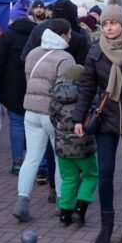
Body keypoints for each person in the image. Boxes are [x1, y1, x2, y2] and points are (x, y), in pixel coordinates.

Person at [72, 0, 122, 243]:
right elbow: (86, 87)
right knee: (105, 172)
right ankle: (106, 226)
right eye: (105, 24)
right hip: (105, 120)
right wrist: (78, 117)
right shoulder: (96, 53)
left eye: (113, 23)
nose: (109, 28)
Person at [12, 19, 75, 222]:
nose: (71, 37)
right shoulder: (65, 58)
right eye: (69, 34)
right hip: (53, 114)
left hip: (31, 111)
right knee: (60, 159)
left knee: (31, 158)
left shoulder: (33, 53)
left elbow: (29, 81)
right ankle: (62, 204)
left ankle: (22, 202)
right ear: (63, 35)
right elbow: (65, 92)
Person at [0, 0, 36, 174]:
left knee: (17, 123)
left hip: (12, 87)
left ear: (13, 18)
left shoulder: (7, 37)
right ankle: (36, 163)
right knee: (35, 126)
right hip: (35, 85)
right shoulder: (38, 34)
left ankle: (18, 162)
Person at [49, 64, 97, 227]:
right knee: (91, 175)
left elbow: (53, 118)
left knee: (68, 179)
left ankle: (64, 216)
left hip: (63, 146)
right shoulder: (88, 94)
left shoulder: (56, 95)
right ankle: (80, 209)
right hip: (84, 146)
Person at [22, 0, 91, 66]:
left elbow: (26, 56)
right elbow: (85, 64)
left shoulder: (39, 29)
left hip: (37, 71)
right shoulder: (79, 33)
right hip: (66, 71)